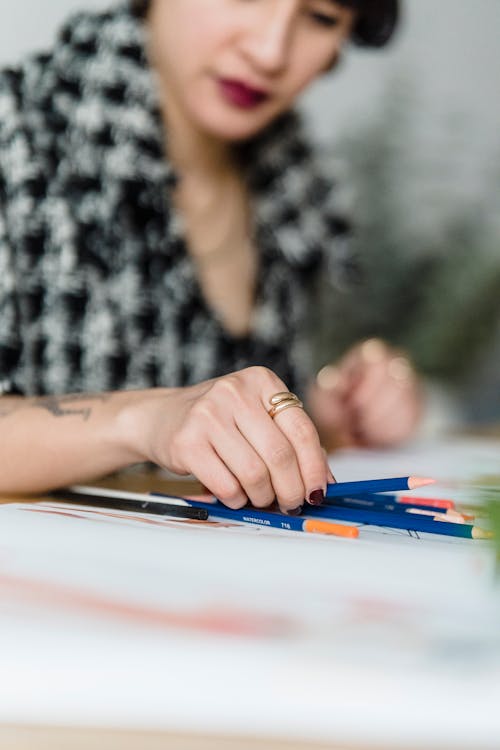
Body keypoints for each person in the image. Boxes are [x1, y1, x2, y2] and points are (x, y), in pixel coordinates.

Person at [0, 0, 421, 512]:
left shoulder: (293, 187)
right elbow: (175, 418)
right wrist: (146, 420)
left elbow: (214, 409)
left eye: (321, 17)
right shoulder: (16, 134)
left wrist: (326, 411)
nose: (269, 52)